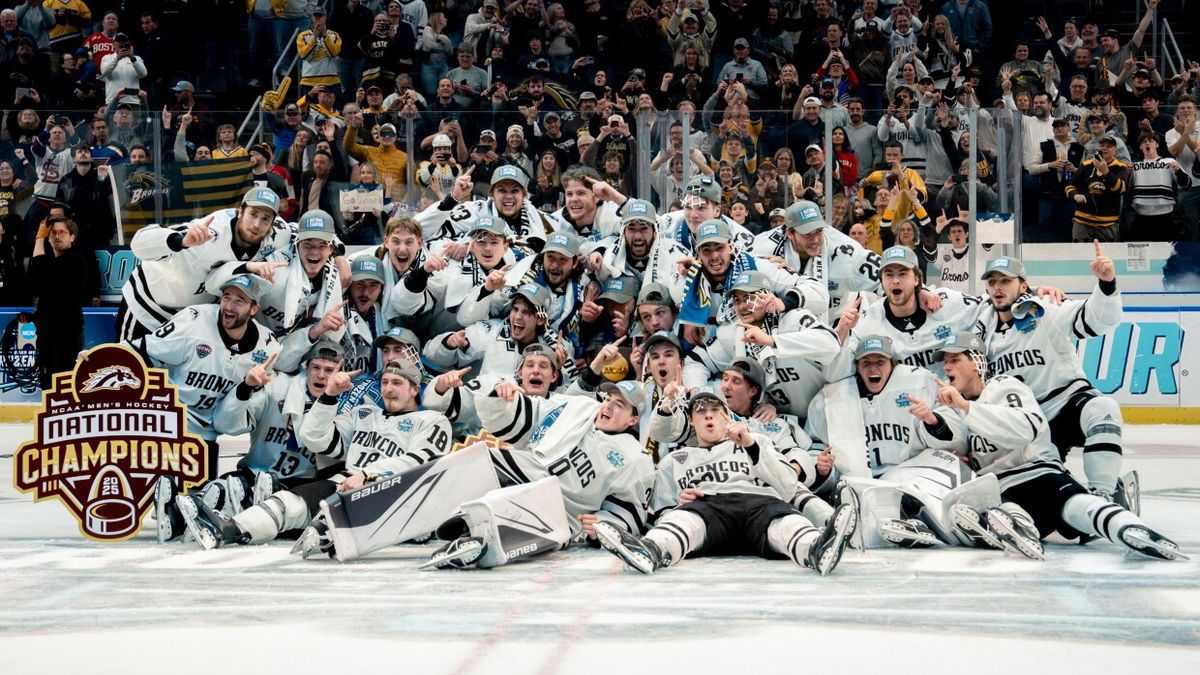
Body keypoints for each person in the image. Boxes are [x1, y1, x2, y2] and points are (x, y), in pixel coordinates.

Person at [909, 331, 1186, 562]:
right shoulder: (955, 405)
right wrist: (933, 421)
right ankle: (1013, 523)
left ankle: (1128, 527)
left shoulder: (1005, 387)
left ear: (976, 362)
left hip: (1039, 474)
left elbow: (1024, 430)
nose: (947, 367)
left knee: (1074, 507)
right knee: (1003, 512)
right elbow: (957, 439)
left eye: (955, 360)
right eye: (945, 362)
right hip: (999, 488)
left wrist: (967, 407)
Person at [176, 360, 452, 550]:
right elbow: (314, 437)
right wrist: (329, 396)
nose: (389, 388)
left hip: (391, 492)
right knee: (290, 502)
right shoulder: (364, 414)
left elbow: (419, 463)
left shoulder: (432, 420)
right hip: (345, 484)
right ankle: (229, 529)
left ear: (414, 388)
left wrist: (368, 476)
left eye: (398, 383)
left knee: (313, 512)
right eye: (386, 382)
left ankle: (328, 531)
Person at [593, 389, 858, 576]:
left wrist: (750, 445)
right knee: (683, 521)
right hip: (708, 508)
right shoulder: (674, 460)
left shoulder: (757, 441)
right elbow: (661, 510)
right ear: (691, 421)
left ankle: (816, 549)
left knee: (785, 522)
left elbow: (789, 484)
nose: (709, 416)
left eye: (716, 411)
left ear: (727, 416)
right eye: (700, 411)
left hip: (760, 504)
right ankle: (651, 551)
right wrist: (676, 507)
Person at [426, 378, 656, 570]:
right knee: (477, 459)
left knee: (520, 520)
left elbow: (627, 513)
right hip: (523, 470)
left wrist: (602, 526)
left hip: (558, 514)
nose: (607, 406)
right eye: (607, 399)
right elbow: (524, 416)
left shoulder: (636, 460)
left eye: (619, 404)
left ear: (633, 419)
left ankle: (474, 536)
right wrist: (500, 397)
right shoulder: (576, 407)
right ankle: (447, 516)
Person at [129, 274, 282, 542]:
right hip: (168, 423)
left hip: (207, 436)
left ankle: (176, 507)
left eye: (239, 301)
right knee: (166, 491)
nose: (229, 306)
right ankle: (165, 498)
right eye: (226, 297)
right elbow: (145, 350)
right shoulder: (195, 320)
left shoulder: (267, 347)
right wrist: (102, 358)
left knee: (197, 502)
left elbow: (229, 423)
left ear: (254, 309)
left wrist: (246, 388)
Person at [976, 253, 1132, 506]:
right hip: (1029, 422)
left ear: (1023, 286)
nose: (997, 287)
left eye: (1005, 281)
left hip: (1067, 401)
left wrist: (1107, 284)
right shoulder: (980, 324)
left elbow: (1098, 319)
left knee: (1103, 409)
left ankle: (1104, 494)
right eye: (992, 282)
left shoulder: (1044, 308)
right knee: (1042, 495)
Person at [117, 187, 288, 341]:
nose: (257, 224)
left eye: (265, 219)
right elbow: (138, 243)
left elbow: (299, 236)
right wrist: (181, 241)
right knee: (130, 363)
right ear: (240, 212)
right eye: (253, 214)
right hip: (148, 304)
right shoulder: (209, 231)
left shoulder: (279, 235)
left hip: (191, 320)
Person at [211, 339, 348, 515]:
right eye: (316, 367)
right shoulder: (276, 387)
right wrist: (246, 387)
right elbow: (225, 424)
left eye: (329, 370)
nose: (321, 375)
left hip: (304, 487)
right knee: (218, 491)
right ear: (306, 368)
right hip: (256, 474)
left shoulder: (348, 406)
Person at [28, 216, 87, 389]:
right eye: (53, 233)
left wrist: (39, 238)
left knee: (67, 383)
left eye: (62, 232)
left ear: (72, 237)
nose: (57, 236)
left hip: (68, 335)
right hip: (47, 334)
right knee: (47, 382)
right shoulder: (49, 261)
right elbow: (37, 271)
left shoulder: (76, 260)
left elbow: (39, 264)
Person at [1065, 134, 1127, 242]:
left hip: (1108, 223)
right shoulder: (1086, 165)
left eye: (1108, 146)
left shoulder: (1121, 167)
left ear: (1115, 151)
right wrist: (1075, 195)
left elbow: (1120, 188)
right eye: (1102, 145)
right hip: (1082, 221)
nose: (1104, 148)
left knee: (1108, 253)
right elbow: (1070, 185)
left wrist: (1106, 172)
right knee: (1079, 252)